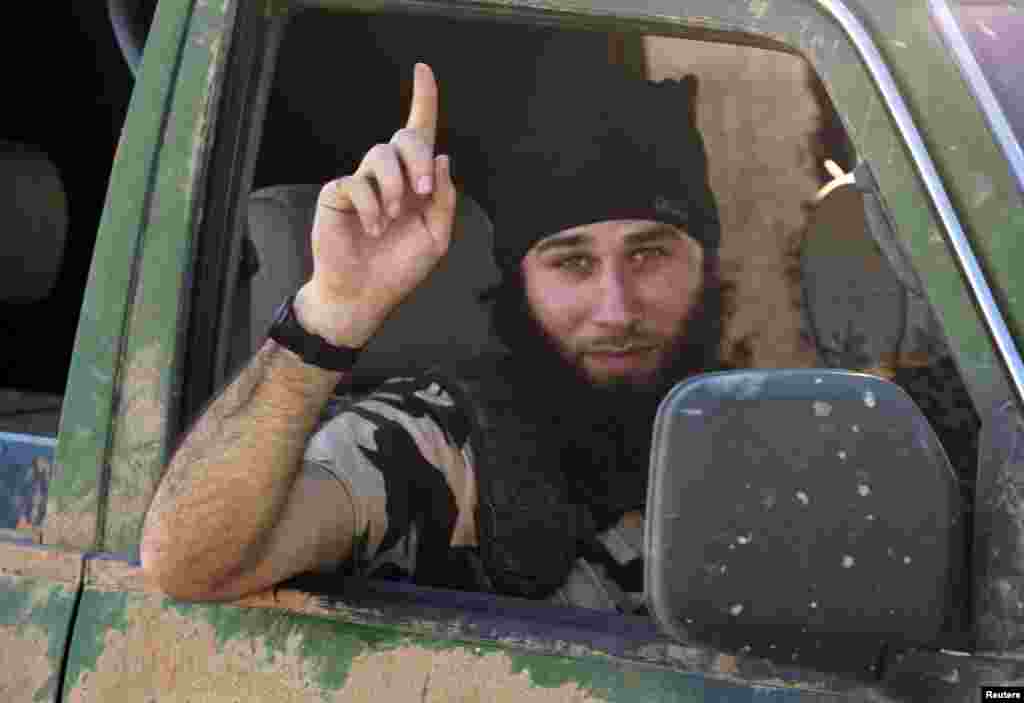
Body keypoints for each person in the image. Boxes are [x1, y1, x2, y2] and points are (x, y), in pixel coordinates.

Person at [140, 62, 724, 611]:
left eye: (649, 254)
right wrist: (330, 317)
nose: (616, 310)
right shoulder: (439, 442)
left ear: (706, 264)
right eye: (572, 263)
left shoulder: (752, 419)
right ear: (517, 282)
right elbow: (191, 565)